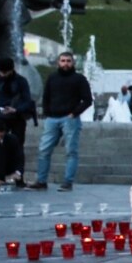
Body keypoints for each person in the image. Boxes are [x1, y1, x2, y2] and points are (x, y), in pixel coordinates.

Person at [24, 51, 92, 192]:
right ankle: (41, 181)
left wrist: (74, 113)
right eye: (63, 60)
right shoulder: (52, 78)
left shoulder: (79, 79)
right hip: (52, 119)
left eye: (68, 61)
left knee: (71, 151)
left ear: (73, 63)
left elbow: (87, 100)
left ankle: (68, 182)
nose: (65, 63)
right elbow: (46, 96)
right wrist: (48, 113)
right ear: (58, 63)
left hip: (70, 119)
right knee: (43, 150)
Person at [0, 56, 35, 180]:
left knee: (18, 146)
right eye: (0, 72)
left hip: (17, 118)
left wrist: (16, 109)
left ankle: (18, 176)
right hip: (1, 117)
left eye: (5, 72)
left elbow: (28, 101)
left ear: (11, 70)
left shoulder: (21, 81)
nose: (2, 74)